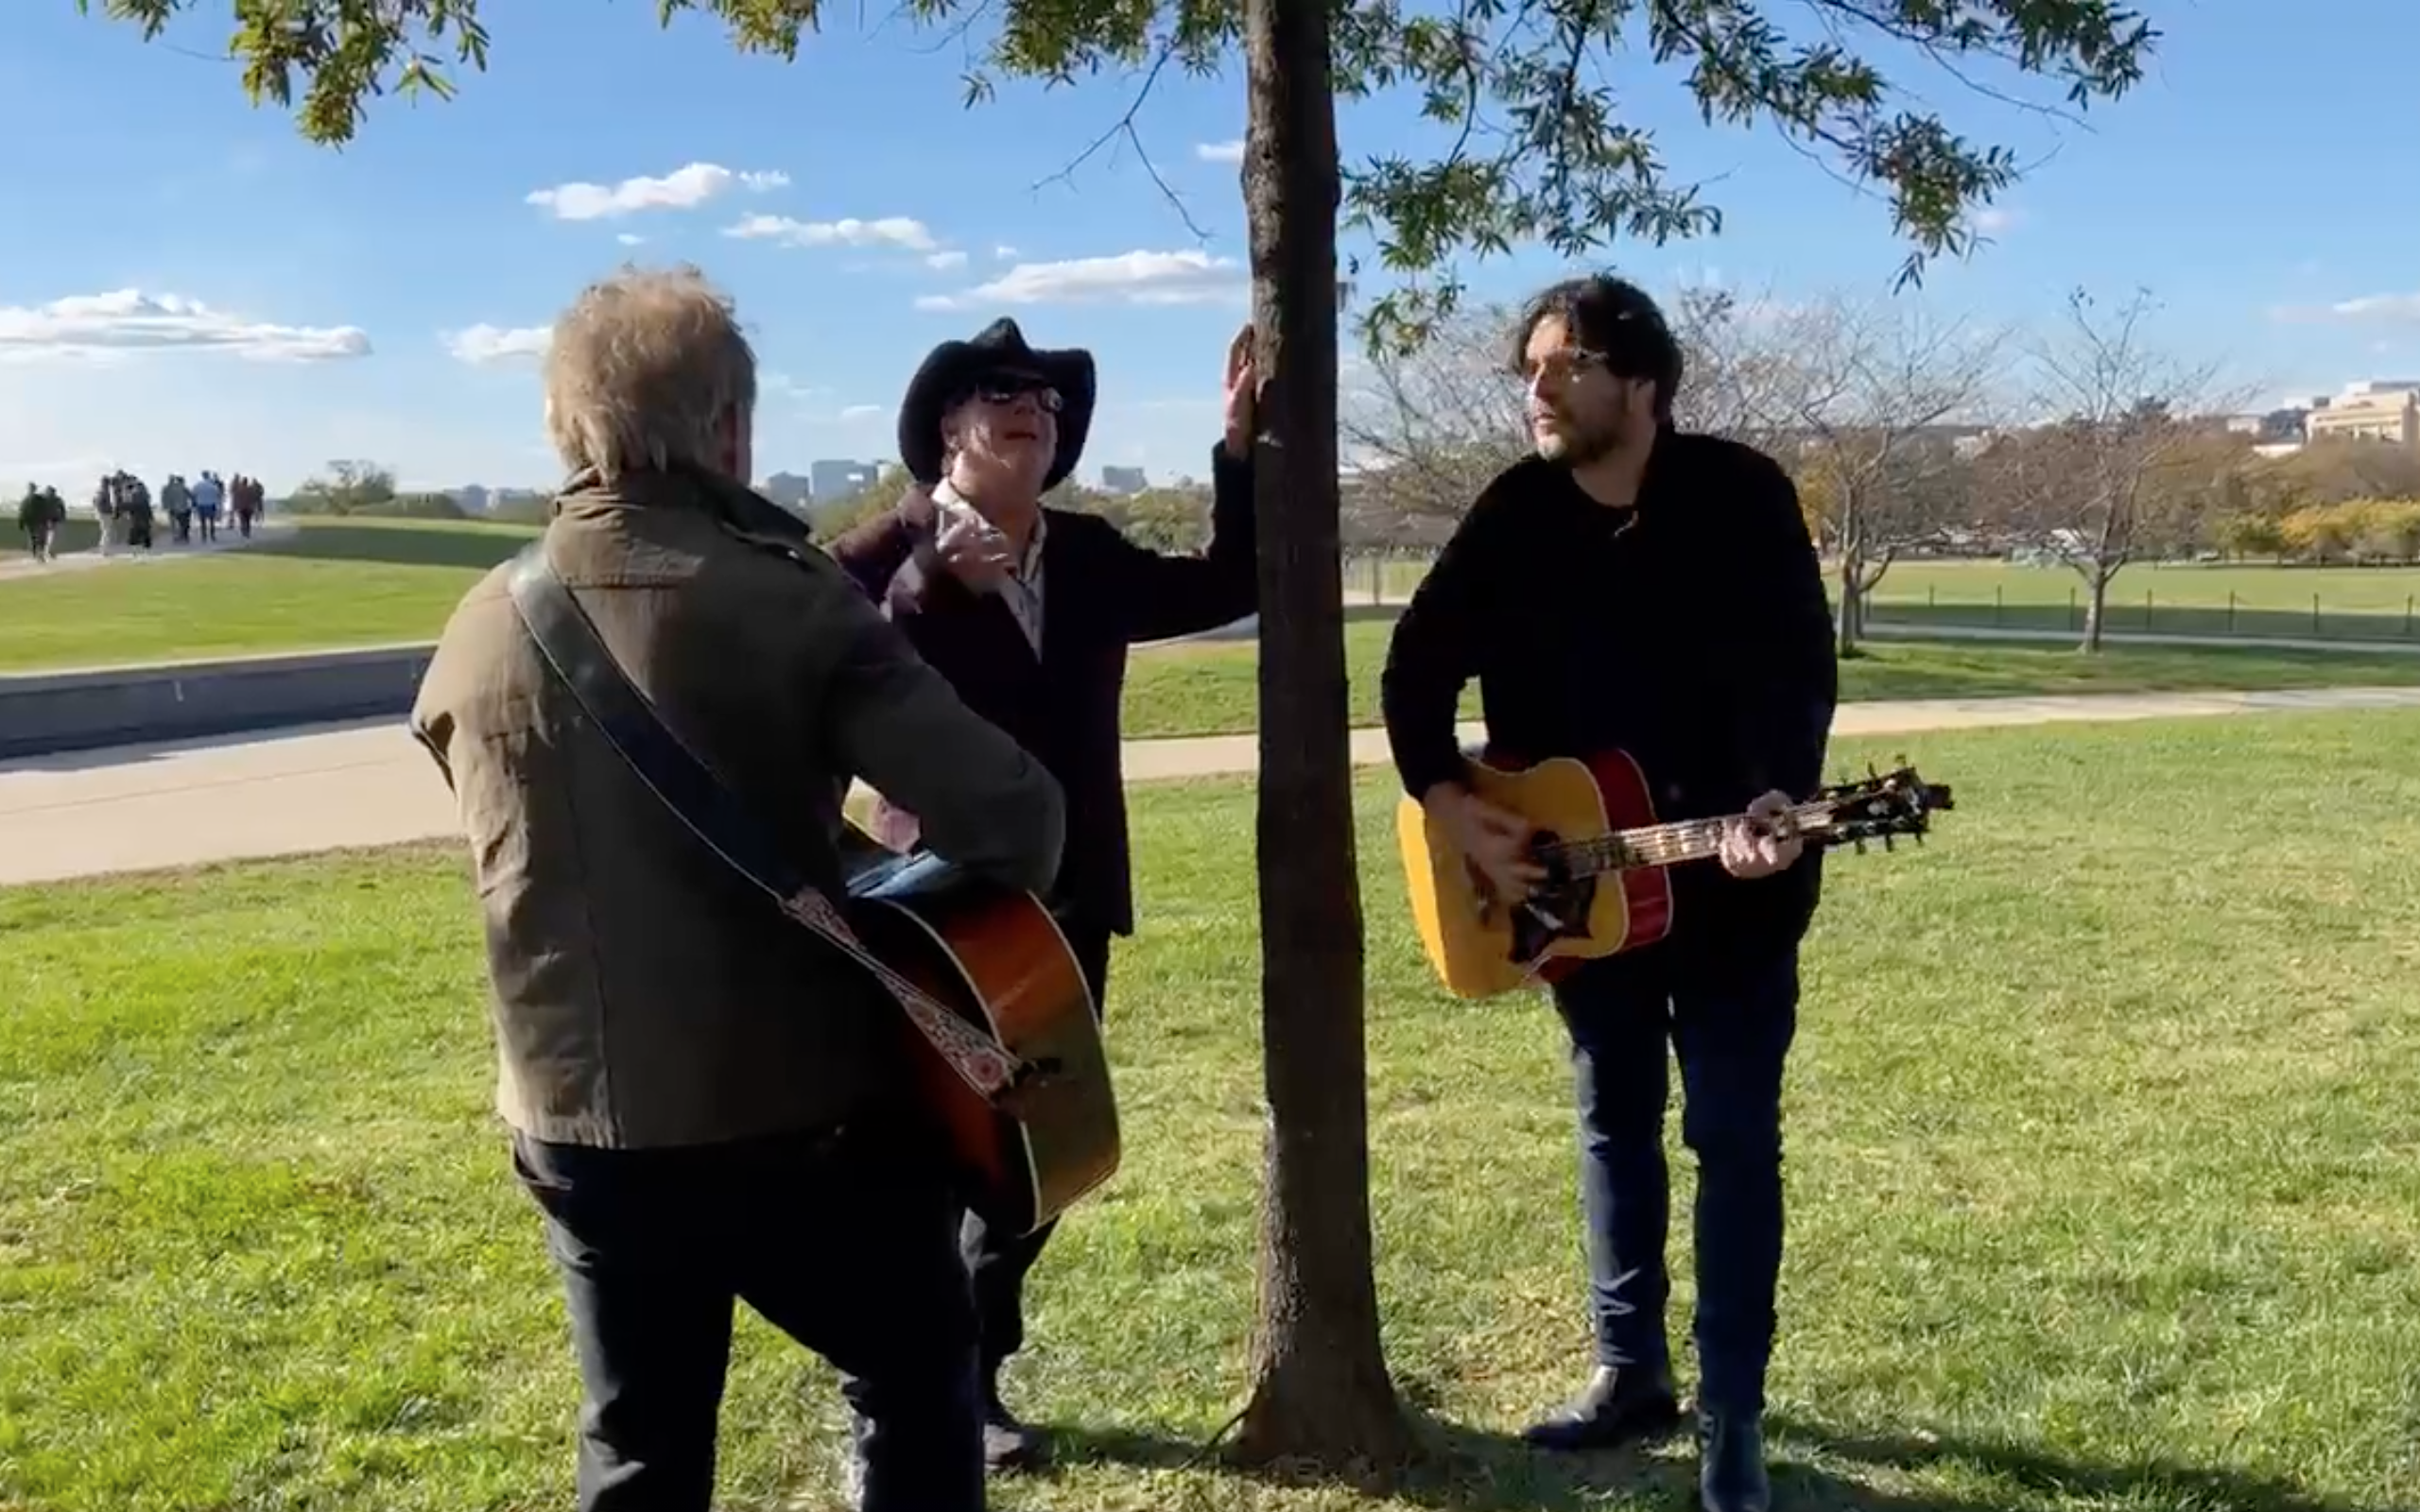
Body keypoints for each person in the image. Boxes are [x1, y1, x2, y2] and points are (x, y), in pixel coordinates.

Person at [408, 264, 1069, 1512]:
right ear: (728, 429)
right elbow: (1019, 822)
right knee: (922, 1365)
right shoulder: (784, 595)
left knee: (640, 1448)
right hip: (789, 1113)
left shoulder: (481, 619)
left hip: (572, 1122)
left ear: (568, 428)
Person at [1377, 272, 1838, 1512]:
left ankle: (1732, 1413)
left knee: (1733, 1140)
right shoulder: (1515, 512)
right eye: (1527, 368)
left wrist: (1772, 799)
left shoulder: (1741, 496)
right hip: (1573, 892)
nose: (1535, 389)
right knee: (1613, 1126)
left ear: (1641, 382)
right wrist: (1450, 798)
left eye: (1561, 365)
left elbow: (1799, 668)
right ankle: (1631, 1369)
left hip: (1734, 892)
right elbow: (1415, 665)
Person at [822, 315, 1260, 1474]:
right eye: (999, 389)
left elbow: (1231, 578)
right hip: (937, 914)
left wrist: (1236, 449)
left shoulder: (1093, 554)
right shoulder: (878, 554)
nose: (1031, 405)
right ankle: (930, 1385)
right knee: (928, 1156)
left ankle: (970, 1360)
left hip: (1068, 902)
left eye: (1048, 397)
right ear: (949, 425)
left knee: (1039, 1155)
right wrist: (925, 586)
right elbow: (811, 677)